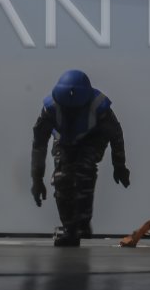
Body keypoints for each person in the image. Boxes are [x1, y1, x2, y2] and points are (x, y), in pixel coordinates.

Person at [31, 70, 130, 247]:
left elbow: (116, 135)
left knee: (85, 170)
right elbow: (39, 144)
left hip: (93, 138)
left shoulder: (100, 106)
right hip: (63, 139)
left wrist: (119, 165)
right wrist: (37, 179)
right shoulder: (50, 109)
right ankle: (70, 228)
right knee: (62, 178)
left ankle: (83, 221)